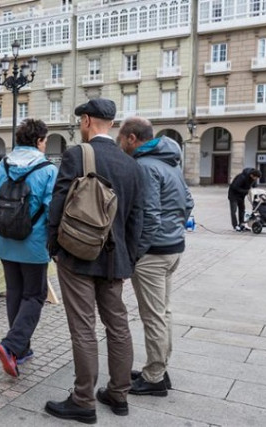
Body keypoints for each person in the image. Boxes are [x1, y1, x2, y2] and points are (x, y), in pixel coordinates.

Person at [45, 98, 143, 423]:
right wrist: (129, 259)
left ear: (86, 120)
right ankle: (119, 394)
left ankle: (83, 400)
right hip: (116, 261)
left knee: (83, 327)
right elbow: (137, 220)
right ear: (111, 124)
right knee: (118, 325)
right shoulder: (132, 164)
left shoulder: (77, 154)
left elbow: (58, 203)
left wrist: (53, 247)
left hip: (77, 254)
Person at [118, 117, 194, 397]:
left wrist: (136, 253)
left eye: (121, 139)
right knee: (163, 312)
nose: (121, 144)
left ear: (132, 139)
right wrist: (173, 229)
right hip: (173, 249)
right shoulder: (170, 162)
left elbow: (147, 215)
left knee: (153, 316)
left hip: (153, 253)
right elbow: (187, 202)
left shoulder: (145, 166)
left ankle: (154, 377)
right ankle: (158, 367)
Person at [0, 118, 57, 378]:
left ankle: (20, 350)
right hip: (34, 243)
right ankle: (11, 345)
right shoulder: (48, 169)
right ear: (39, 141)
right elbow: (52, 208)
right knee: (35, 295)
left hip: (6, 242)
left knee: (14, 292)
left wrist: (10, 222)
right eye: (45, 140)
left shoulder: (1, 166)